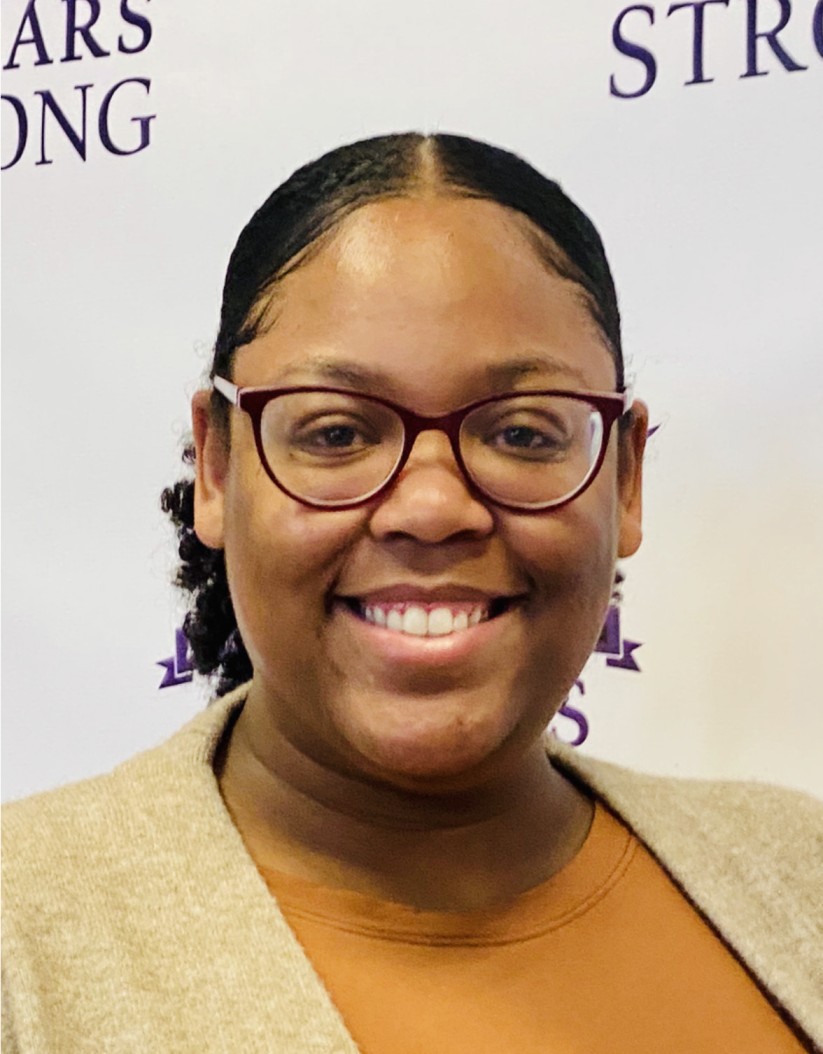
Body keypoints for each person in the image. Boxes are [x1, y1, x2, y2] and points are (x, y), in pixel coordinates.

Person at [2, 132, 821, 1053]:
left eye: (521, 433)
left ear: (624, 480)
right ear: (218, 470)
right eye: (337, 433)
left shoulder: (801, 872)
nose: (431, 507)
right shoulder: (20, 937)